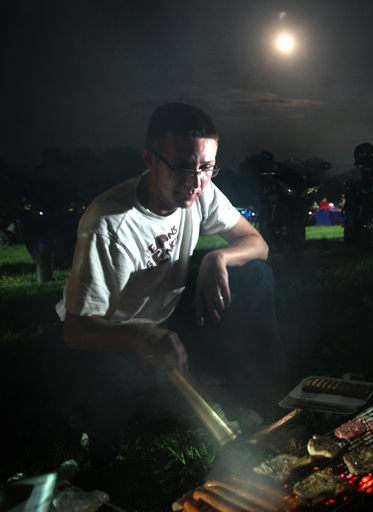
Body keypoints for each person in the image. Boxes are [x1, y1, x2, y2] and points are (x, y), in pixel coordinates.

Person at [48, 102, 286, 464]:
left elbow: (258, 245)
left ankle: (251, 390)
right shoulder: (109, 222)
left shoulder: (201, 190)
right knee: (109, 405)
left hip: (166, 322)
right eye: (180, 167)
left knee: (254, 275)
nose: (195, 181)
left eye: (206, 168)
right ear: (149, 158)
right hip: (108, 336)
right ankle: (95, 419)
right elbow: (75, 330)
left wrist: (217, 257)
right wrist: (140, 335)